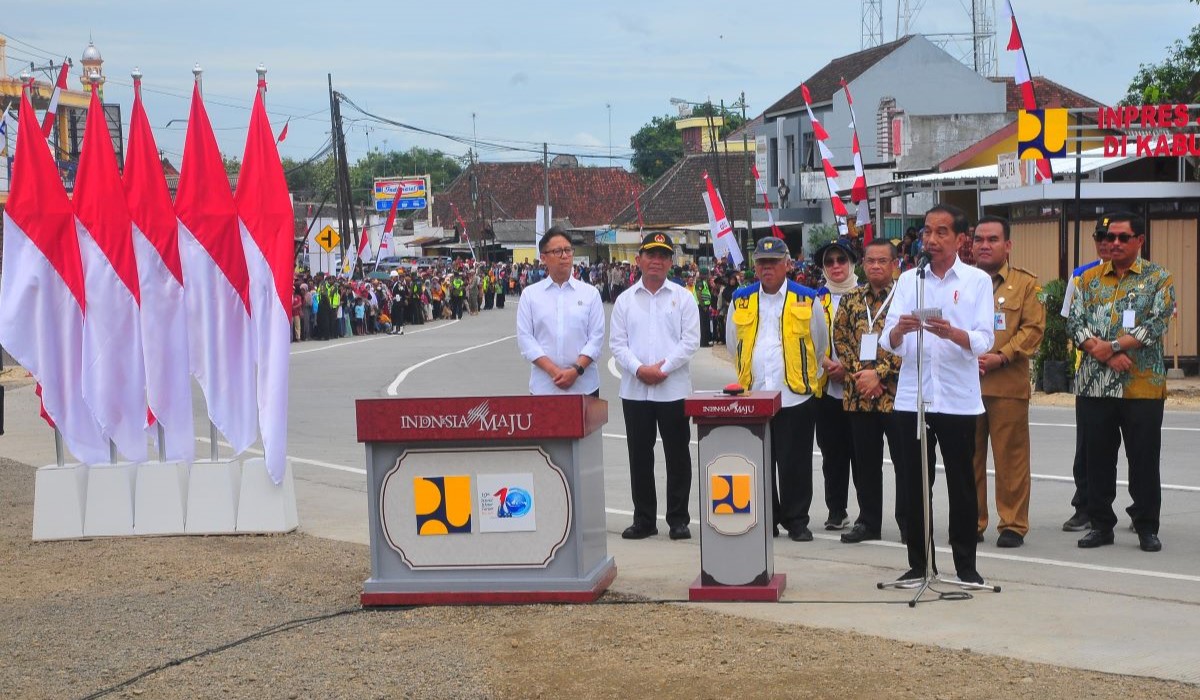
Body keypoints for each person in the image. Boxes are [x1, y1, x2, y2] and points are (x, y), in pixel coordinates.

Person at [881, 204, 994, 586]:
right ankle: (919, 563)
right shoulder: (910, 279)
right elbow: (887, 339)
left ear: (961, 239)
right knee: (914, 484)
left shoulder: (977, 281)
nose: (931, 239)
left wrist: (952, 334)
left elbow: (983, 339)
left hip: (958, 399)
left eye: (941, 232)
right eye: (927, 231)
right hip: (913, 398)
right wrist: (901, 330)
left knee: (962, 484)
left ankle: (965, 565)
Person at [1068, 212, 1175, 553]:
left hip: (1141, 386)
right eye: (1109, 236)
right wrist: (1104, 354)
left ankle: (1146, 527)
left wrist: (1113, 346)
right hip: (1094, 386)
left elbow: (1157, 323)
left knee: (1143, 459)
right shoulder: (1087, 280)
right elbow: (1074, 322)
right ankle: (1100, 525)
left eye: (1122, 237)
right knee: (1097, 459)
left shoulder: (1159, 279)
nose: (1113, 243)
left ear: (1139, 240)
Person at [726, 237, 827, 542]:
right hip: (753, 394)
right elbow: (733, 344)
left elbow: (819, 343)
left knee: (795, 462)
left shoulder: (807, 298)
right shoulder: (740, 299)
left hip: (794, 394)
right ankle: (767, 518)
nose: (767, 268)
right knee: (758, 461)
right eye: (761, 263)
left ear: (787, 264)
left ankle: (797, 520)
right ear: (755, 266)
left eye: (773, 262)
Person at [610, 232, 700, 541]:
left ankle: (678, 519)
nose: (657, 261)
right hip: (635, 392)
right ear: (639, 260)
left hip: (673, 389)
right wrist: (639, 369)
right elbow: (618, 345)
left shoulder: (683, 297)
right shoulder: (625, 300)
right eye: (651, 254)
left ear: (670, 262)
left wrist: (662, 369)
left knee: (677, 456)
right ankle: (644, 519)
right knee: (639, 456)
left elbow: (691, 341)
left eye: (663, 255)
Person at [970, 216, 1045, 548]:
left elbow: (1033, 329)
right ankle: (971, 521)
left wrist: (1002, 355)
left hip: (1007, 386)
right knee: (967, 458)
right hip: (965, 385)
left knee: (1011, 459)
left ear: (1008, 245)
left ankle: (1013, 524)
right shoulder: (962, 283)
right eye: (979, 239)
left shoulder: (1026, 284)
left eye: (992, 239)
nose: (984, 245)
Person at [832, 238, 906, 544]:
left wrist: (881, 374)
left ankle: (908, 522)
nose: (876, 266)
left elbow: (912, 342)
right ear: (863, 264)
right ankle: (868, 521)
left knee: (905, 462)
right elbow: (840, 339)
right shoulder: (851, 298)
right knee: (865, 463)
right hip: (858, 394)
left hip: (896, 394)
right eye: (870, 261)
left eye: (882, 261)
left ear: (894, 264)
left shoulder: (905, 297)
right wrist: (861, 375)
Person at [1061, 221, 1116, 532]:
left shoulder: (1148, 277)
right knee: (1087, 447)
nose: (1107, 243)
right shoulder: (1081, 275)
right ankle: (1085, 506)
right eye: (1101, 237)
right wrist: (1099, 350)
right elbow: (1070, 320)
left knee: (1139, 451)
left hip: (1130, 372)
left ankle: (1141, 510)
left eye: (1113, 237)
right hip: (1091, 373)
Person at [517, 227, 604, 396]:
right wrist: (553, 371)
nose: (564, 256)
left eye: (568, 250)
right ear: (543, 257)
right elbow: (525, 339)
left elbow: (596, 338)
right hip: (544, 387)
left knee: (586, 424)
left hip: (585, 386)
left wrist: (576, 370)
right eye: (557, 251)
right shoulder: (530, 295)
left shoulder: (590, 294)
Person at [813, 240, 860, 532]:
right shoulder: (813, 300)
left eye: (841, 259)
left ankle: (869, 514)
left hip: (861, 388)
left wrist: (850, 369)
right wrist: (827, 365)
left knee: (863, 455)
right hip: (826, 387)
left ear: (852, 262)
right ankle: (836, 510)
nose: (836, 266)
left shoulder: (865, 296)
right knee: (832, 454)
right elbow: (807, 341)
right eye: (829, 262)